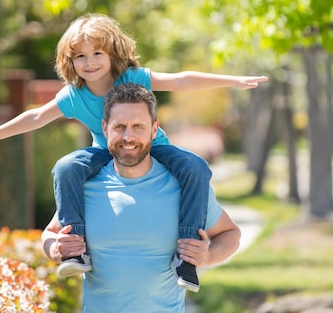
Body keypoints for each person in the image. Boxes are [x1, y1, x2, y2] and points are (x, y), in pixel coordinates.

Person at [0, 13, 265, 291]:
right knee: (67, 166)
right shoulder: (74, 95)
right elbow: (36, 116)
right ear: (70, 61)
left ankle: (186, 256)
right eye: (80, 56)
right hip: (106, 153)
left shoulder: (132, 77)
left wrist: (232, 81)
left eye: (97, 53)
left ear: (112, 53)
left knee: (195, 167)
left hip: (154, 147)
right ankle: (76, 248)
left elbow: (180, 80)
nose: (89, 62)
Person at [42, 83, 241, 312]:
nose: (128, 136)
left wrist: (206, 256)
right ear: (105, 128)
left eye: (138, 126)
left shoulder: (186, 188)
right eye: (120, 126)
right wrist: (55, 249)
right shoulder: (84, 186)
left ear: (154, 130)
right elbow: (50, 233)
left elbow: (231, 234)